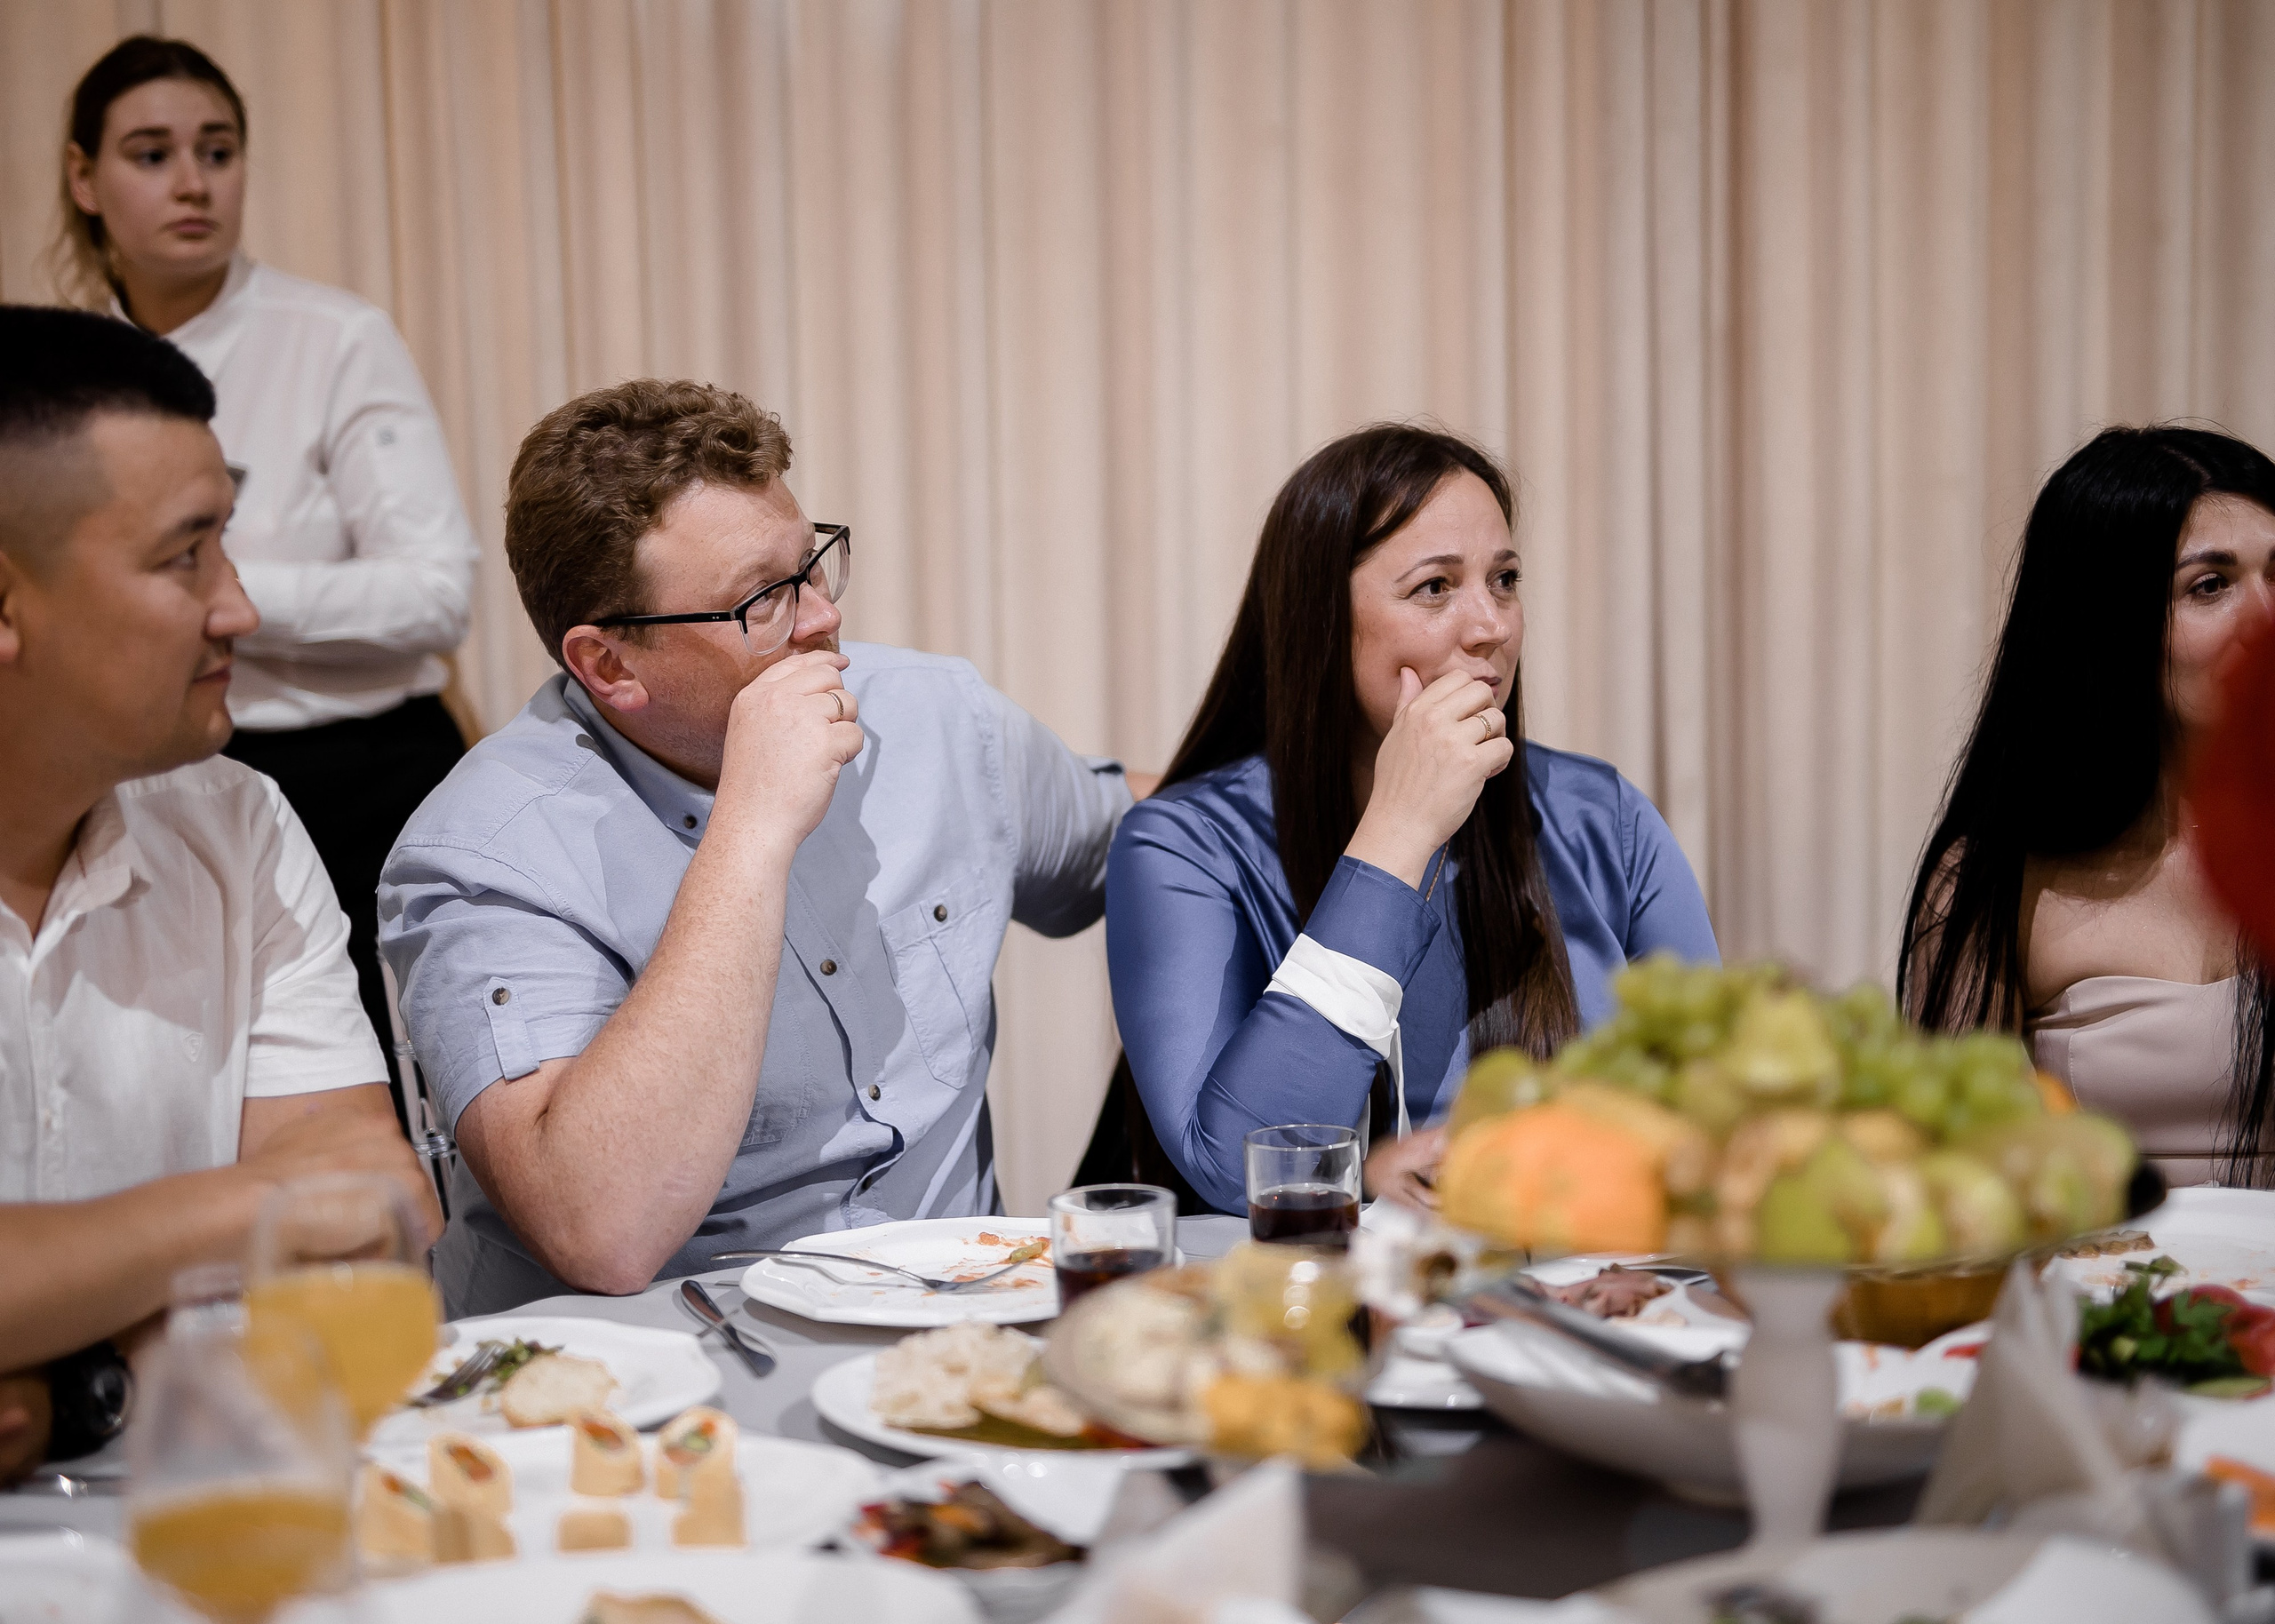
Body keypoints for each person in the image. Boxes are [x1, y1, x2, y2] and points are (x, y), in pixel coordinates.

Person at [378, 379, 1132, 1315]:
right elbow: (599, 1228)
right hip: (666, 1381)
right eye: (763, 601)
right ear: (608, 665)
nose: (821, 620)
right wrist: (749, 826)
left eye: (812, 565)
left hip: (958, 1332)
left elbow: (1149, 844)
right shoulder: (483, 854)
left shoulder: (936, 719)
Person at [0, 306, 441, 1484]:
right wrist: (234, 1217)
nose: (240, 606)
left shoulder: (236, 824)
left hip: (210, 1517)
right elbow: (302, 1206)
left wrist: (66, 1384)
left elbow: (377, 1210)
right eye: (185, 554)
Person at [1105, 424, 1719, 1215]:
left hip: (1570, 1305)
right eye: (1436, 588)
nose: (1491, 626)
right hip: (1309, 1319)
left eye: (1504, 580)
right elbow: (1235, 1170)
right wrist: (1398, 835)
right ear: (1323, 619)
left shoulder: (1603, 820)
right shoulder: (1181, 846)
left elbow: (1721, 1118)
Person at [55, 36, 477, 1103]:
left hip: (367, 773)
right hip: (150, 771)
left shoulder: (334, 336)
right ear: (83, 179)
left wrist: (202, 590)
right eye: (151, 154)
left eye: (219, 150)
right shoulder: (57, 372)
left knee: (405, 1095)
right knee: (184, 1087)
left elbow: (435, 591)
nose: (193, 182)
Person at [1900, 426, 2275, 1189]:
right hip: (2097, 1297)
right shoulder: (1998, 876)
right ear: (2108, 627)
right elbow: (1957, 1190)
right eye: (2210, 586)